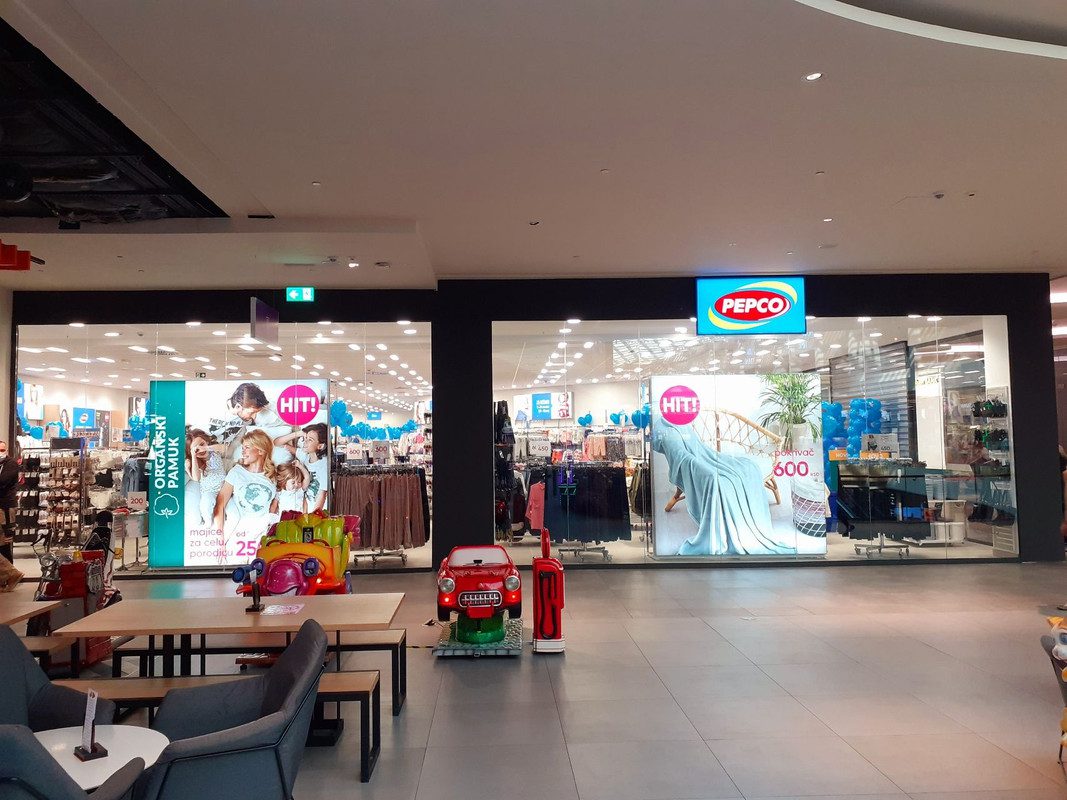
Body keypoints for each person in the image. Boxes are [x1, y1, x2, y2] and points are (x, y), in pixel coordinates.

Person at [213, 429, 278, 561]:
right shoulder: (237, 472)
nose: (243, 451)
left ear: (260, 451)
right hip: (239, 536)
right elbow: (219, 505)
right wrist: (220, 542)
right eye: (242, 448)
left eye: (247, 447)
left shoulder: (273, 476)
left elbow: (275, 507)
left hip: (262, 535)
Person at [276, 423, 329, 514]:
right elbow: (277, 443)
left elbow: (322, 495)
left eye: (310, 440)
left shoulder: (323, 465)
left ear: (320, 446)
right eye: (305, 438)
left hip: (317, 510)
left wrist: (314, 516)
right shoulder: (305, 456)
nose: (305, 442)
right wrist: (299, 433)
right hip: (303, 507)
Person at [186, 428, 227, 526]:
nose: (200, 449)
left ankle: (223, 517)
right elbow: (196, 478)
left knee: (228, 507)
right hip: (209, 490)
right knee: (205, 506)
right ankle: (208, 523)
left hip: (224, 487)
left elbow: (224, 448)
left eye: (202, 444)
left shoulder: (214, 452)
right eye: (196, 449)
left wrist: (206, 448)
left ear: (207, 442)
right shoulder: (198, 463)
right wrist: (193, 456)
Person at [0, 440, 23, 590]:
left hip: (6, 507)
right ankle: (8, 576)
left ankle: (11, 575)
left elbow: (2, 481)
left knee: (5, 542)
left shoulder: (11, 464)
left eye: (2, 450)